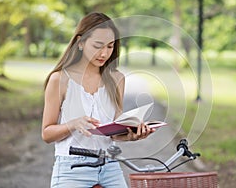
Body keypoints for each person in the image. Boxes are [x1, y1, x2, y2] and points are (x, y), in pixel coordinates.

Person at [42, 12, 153, 188]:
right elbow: (47, 134)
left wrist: (131, 135)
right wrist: (73, 124)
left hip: (109, 165)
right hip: (72, 167)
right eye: (97, 46)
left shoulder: (117, 79)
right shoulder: (60, 79)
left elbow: (113, 132)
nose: (104, 53)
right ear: (80, 42)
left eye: (110, 47)